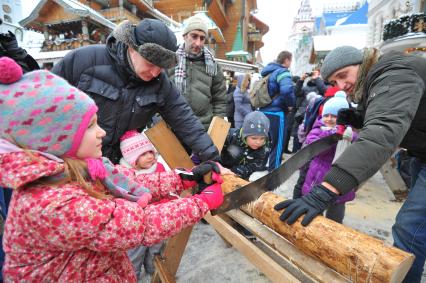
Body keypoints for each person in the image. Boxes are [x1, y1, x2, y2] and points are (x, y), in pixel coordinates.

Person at [0, 57, 224, 281]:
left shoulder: (82, 170)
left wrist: (186, 178)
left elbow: (135, 182)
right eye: (90, 126)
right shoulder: (53, 203)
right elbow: (139, 225)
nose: (102, 133)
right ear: (56, 140)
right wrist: (200, 203)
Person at [275, 46, 426, 282]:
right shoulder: (375, 79)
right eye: (336, 80)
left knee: (410, 228)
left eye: (344, 75)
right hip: (421, 152)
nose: (342, 84)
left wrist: (326, 190)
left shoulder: (394, 72)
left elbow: (383, 132)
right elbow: (394, 114)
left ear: (362, 62)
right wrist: (360, 118)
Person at [51, 18, 219, 165]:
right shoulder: (84, 61)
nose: (154, 73)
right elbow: (45, 101)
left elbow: (184, 119)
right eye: (150, 64)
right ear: (132, 48)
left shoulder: (160, 84)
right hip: (71, 158)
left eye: (161, 68)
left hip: (117, 164)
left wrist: (211, 158)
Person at [299, 92, 357, 223]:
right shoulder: (317, 130)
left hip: (340, 180)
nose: (329, 119)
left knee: (336, 215)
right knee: (314, 214)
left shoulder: (349, 132)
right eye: (326, 115)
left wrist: (348, 135)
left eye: (334, 116)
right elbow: (315, 147)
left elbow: (357, 143)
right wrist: (332, 134)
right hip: (317, 178)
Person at [118, 130, 166, 278]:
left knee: (156, 248)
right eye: (144, 154)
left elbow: (165, 190)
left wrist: (164, 207)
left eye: (151, 152)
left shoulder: (159, 169)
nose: (150, 156)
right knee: (135, 253)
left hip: (158, 219)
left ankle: (154, 271)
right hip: (137, 224)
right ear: (133, 159)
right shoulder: (124, 175)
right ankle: (134, 275)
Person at [169, 15, 227, 131]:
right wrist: (160, 121)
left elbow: (220, 100)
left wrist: (215, 127)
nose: (198, 43)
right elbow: (158, 94)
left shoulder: (213, 66)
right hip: (173, 128)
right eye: (194, 36)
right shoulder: (170, 61)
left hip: (203, 129)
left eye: (202, 38)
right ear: (184, 36)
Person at [259, 51, 295, 171]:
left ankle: (260, 166)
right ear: (286, 60)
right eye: (290, 60)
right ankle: (274, 171)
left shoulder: (267, 72)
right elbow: (287, 90)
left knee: (264, 141)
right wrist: (290, 105)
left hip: (263, 111)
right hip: (276, 113)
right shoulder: (282, 72)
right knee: (277, 144)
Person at [220, 111, 271, 180]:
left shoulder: (264, 149)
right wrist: (219, 166)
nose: (258, 142)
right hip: (221, 169)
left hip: (241, 174)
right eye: (254, 138)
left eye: (262, 138)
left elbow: (256, 166)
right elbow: (217, 149)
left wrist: (237, 171)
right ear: (245, 135)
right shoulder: (230, 136)